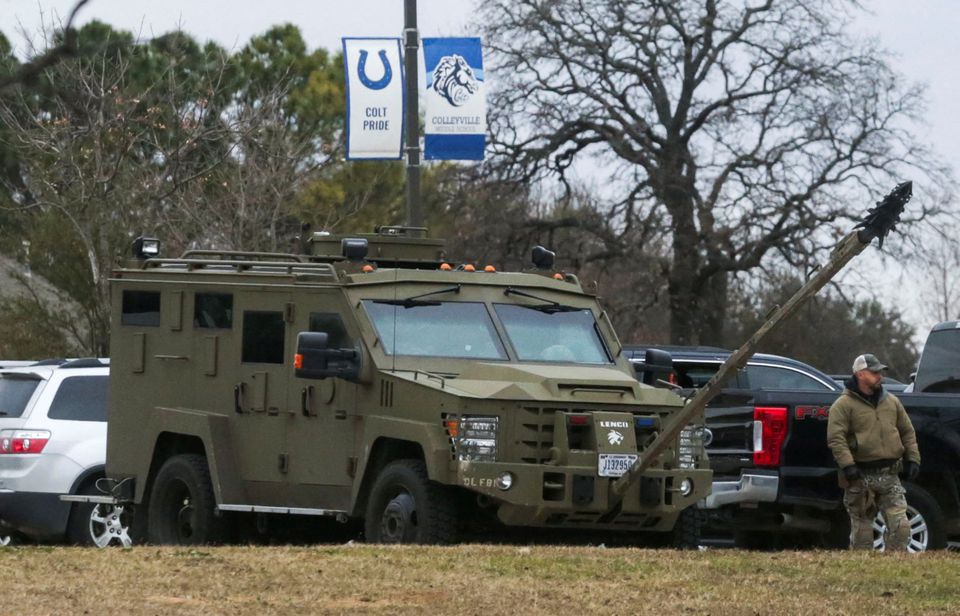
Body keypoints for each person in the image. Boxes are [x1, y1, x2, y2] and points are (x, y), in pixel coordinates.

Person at [826, 353, 920, 551]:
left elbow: (907, 431)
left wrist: (912, 458)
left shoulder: (891, 402)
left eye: (880, 372)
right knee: (863, 533)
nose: (880, 376)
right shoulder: (843, 405)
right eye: (874, 372)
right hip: (860, 477)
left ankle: (895, 567)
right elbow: (836, 439)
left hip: (890, 475)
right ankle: (863, 572)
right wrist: (848, 466)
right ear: (860, 374)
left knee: (901, 528)